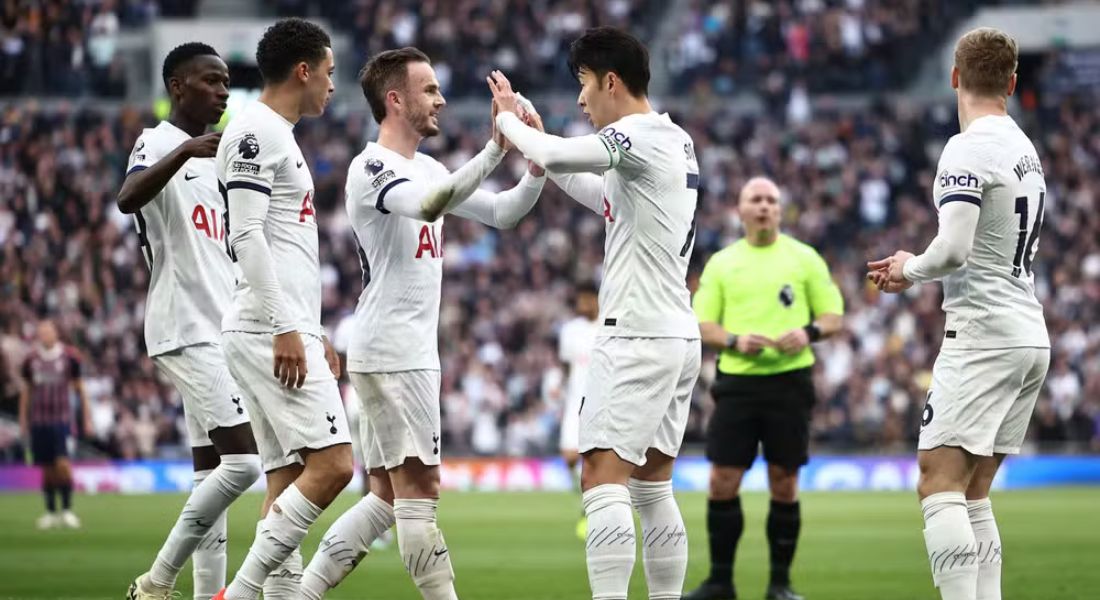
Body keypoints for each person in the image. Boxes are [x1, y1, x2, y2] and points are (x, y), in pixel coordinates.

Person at [299, 46, 546, 600]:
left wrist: (533, 166)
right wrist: (492, 148)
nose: (440, 99)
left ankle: (300, 593)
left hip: (405, 351)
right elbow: (432, 205)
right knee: (420, 491)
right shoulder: (373, 166)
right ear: (395, 99)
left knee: (387, 497)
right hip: (393, 350)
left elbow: (504, 213)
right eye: (428, 89)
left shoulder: (428, 166)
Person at [489, 26, 701, 600]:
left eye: (583, 84)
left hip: (636, 331)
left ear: (611, 81)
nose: (580, 99)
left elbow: (557, 152)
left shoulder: (636, 134)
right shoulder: (673, 139)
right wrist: (537, 138)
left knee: (602, 481)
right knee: (653, 489)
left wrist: (510, 123)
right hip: (674, 331)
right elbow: (597, 193)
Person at [867, 27, 1049, 600]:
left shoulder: (967, 147)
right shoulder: (1024, 147)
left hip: (984, 332)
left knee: (938, 483)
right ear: (1012, 84)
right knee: (973, 494)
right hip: (1027, 333)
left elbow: (952, 250)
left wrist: (907, 267)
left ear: (953, 78)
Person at [211, 18, 354, 600]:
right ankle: (241, 594)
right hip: (263, 329)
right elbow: (246, 237)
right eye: (329, 71)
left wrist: (310, 328)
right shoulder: (255, 132)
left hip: (277, 327)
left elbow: (285, 248)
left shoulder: (278, 135)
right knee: (335, 465)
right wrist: (285, 327)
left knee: (287, 478)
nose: (332, 85)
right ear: (304, 70)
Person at [120, 42, 263, 600]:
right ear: (178, 86)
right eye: (212, 80)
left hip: (219, 327)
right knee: (246, 463)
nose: (224, 90)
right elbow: (127, 196)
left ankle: (207, 595)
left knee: (213, 473)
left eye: (227, 82)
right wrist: (185, 152)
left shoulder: (219, 159)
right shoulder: (156, 142)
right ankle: (156, 582)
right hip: (185, 326)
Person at [685, 177, 844, 600]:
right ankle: (721, 581)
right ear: (739, 209)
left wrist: (808, 331)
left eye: (771, 200)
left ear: (781, 209)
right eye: (755, 199)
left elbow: (833, 316)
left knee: (784, 481)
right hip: (737, 382)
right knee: (721, 480)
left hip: (790, 383)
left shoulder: (804, 258)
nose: (763, 206)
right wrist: (735, 340)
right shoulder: (722, 263)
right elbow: (702, 325)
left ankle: (780, 584)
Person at [19, 320, 90, 530]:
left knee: (63, 465)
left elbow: (80, 388)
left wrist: (86, 417)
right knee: (48, 468)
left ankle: (67, 510)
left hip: (62, 420)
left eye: (48, 331)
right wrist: (23, 419)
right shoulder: (31, 360)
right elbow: (27, 391)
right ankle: (51, 511)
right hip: (39, 421)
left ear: (56, 333)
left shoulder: (69, 357)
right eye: (41, 332)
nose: (45, 335)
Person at [558, 281, 599, 540]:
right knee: (570, 458)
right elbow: (565, 365)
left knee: (596, 459)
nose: (582, 306)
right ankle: (587, 504)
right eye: (579, 301)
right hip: (575, 401)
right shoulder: (570, 330)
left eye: (586, 300)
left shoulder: (608, 325)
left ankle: (593, 508)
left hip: (602, 400)